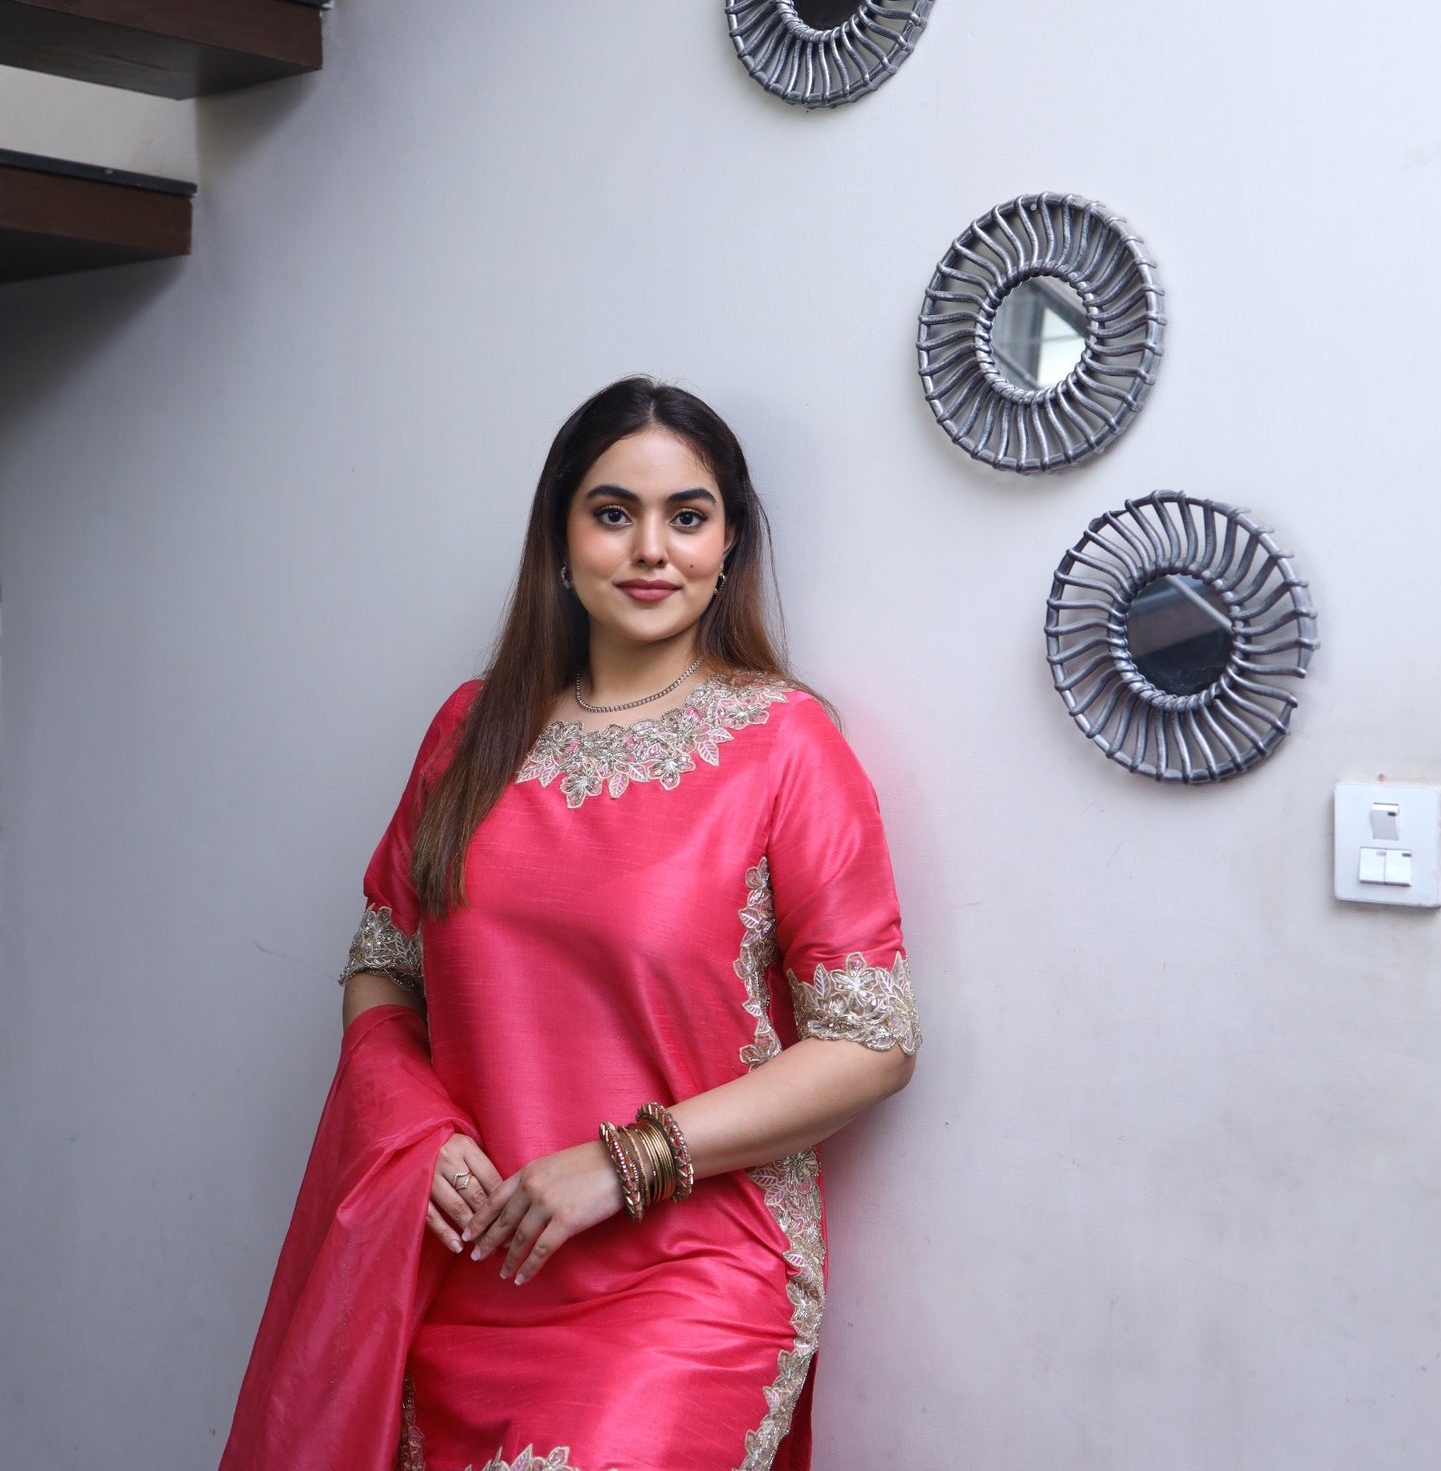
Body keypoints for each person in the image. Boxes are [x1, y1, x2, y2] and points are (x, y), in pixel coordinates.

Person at [221, 377, 921, 1471]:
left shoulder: (785, 746)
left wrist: (624, 1161)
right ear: (559, 538)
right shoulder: (471, 730)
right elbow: (381, 967)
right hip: (478, 1260)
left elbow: (870, 1044)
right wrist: (419, 1130)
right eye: (612, 513)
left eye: (686, 517)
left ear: (729, 543)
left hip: (690, 1276)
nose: (651, 549)